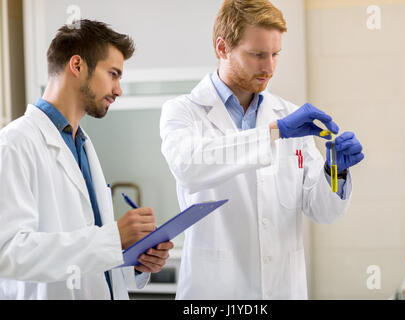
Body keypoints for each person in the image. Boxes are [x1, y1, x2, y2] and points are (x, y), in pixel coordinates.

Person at [160, 0, 364, 299]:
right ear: (222, 48)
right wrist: (274, 133)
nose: (269, 67)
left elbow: (322, 211)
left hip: (282, 289)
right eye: (257, 55)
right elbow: (189, 167)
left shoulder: (288, 114)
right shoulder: (184, 111)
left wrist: (336, 171)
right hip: (214, 295)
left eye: (275, 54)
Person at [0, 19, 173, 300]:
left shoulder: (81, 144)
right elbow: (7, 252)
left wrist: (136, 259)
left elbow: (91, 253)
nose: (118, 90)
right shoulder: (14, 144)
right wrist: (113, 238)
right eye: (113, 74)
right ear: (77, 65)